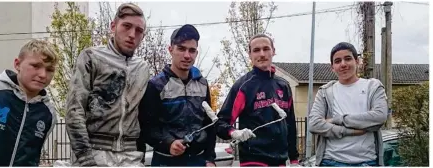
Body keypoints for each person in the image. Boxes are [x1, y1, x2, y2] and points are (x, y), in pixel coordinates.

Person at [65, 3, 150, 167]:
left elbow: (143, 116)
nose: (132, 34)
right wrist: (85, 159)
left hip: (130, 155)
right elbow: (74, 111)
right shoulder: (92, 57)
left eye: (139, 30)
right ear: (113, 26)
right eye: (126, 26)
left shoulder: (143, 68)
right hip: (96, 150)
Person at [138, 24, 216, 167]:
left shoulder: (203, 84)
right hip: (165, 161)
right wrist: (168, 144)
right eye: (181, 48)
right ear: (171, 49)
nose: (187, 55)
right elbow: (147, 128)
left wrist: (210, 159)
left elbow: (209, 124)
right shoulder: (156, 86)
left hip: (198, 161)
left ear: (196, 53)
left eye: (192, 50)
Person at [216, 34, 299, 166]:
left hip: (280, 161)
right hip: (253, 160)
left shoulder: (284, 86)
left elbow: (290, 125)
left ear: (273, 51)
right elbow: (221, 122)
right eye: (256, 50)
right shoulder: (243, 86)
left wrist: (294, 159)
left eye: (266, 49)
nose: (262, 54)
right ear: (249, 54)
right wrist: (233, 132)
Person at [0, 39, 58, 166]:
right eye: (35, 66)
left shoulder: (48, 113)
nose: (43, 75)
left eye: (49, 69)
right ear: (17, 64)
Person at [308, 42, 388, 166]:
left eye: (348, 59)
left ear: (357, 61)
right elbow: (314, 124)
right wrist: (349, 131)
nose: (343, 64)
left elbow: (379, 116)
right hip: (330, 162)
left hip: (366, 162)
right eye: (338, 61)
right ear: (332, 67)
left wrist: (337, 119)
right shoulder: (325, 91)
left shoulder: (373, 87)